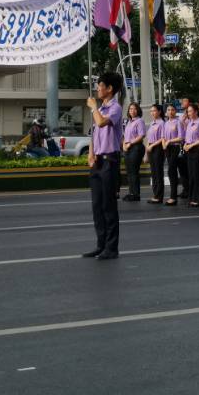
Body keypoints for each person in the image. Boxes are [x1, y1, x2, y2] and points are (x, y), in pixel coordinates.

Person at [84, 72, 123, 259]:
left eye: (100, 86)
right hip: (98, 161)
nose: (98, 89)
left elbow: (100, 124)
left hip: (110, 160)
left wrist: (93, 108)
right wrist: (91, 154)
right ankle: (101, 244)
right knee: (97, 206)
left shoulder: (115, 108)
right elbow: (94, 134)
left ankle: (111, 247)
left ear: (109, 88)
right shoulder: (100, 109)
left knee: (109, 205)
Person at [182, 103, 199, 207]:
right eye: (188, 111)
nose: (188, 113)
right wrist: (185, 144)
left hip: (197, 150)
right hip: (189, 151)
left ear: (196, 111)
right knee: (191, 175)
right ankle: (192, 197)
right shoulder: (190, 123)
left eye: (190, 111)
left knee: (198, 175)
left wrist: (192, 145)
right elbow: (187, 138)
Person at [121, 102, 146, 202]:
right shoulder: (129, 122)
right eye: (131, 109)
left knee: (134, 171)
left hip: (136, 147)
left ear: (138, 110)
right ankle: (131, 192)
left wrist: (130, 143)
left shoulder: (139, 121)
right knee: (129, 171)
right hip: (128, 148)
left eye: (135, 109)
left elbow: (141, 135)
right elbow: (125, 136)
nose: (132, 111)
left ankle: (136, 194)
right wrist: (124, 145)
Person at [144, 104, 166, 204]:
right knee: (153, 173)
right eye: (151, 111)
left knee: (158, 172)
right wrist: (146, 154)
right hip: (151, 148)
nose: (152, 113)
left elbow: (162, 138)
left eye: (154, 111)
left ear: (159, 112)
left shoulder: (162, 123)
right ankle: (155, 194)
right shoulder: (152, 123)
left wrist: (152, 146)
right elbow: (149, 139)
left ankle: (159, 196)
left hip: (158, 148)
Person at [161, 104, 183, 205]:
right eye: (168, 110)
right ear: (166, 112)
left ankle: (173, 197)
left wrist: (169, 141)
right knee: (172, 171)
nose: (170, 112)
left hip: (175, 147)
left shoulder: (178, 122)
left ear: (175, 111)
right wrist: (164, 144)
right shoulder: (165, 123)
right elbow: (163, 136)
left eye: (172, 110)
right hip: (167, 148)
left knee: (171, 171)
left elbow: (181, 137)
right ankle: (174, 196)